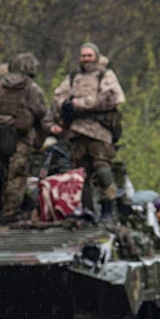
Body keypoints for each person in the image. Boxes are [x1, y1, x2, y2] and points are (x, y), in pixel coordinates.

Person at [49, 42, 126, 222]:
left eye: (89, 55)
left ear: (96, 56)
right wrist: (66, 105)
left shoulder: (105, 75)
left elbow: (112, 98)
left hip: (100, 131)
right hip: (77, 131)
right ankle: (86, 210)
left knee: (103, 170)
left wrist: (80, 104)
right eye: (83, 56)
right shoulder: (74, 76)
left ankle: (108, 208)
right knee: (80, 174)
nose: (86, 59)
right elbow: (58, 96)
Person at [0, 52, 48, 222]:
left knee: (6, 172)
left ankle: (4, 208)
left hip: (1, 134)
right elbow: (41, 112)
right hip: (22, 136)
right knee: (18, 175)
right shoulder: (31, 87)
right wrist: (39, 139)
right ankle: (10, 213)